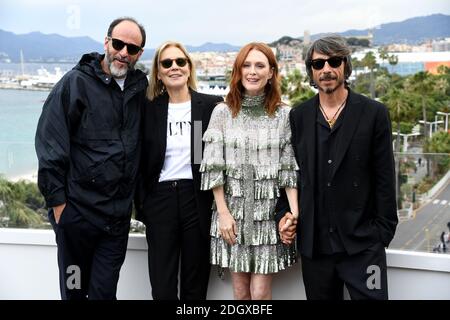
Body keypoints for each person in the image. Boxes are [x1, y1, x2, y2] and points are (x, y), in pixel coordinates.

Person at [277, 35, 398, 300]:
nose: (326, 70)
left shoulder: (373, 113)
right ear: (310, 71)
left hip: (364, 247)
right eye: (318, 64)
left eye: (334, 61)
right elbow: (292, 174)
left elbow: (385, 179)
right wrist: (284, 215)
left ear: (345, 65)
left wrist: (380, 235)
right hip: (316, 249)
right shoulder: (299, 116)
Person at [35, 17, 148, 299]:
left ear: (139, 54)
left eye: (131, 48)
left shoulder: (139, 88)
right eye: (119, 44)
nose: (123, 52)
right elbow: (50, 145)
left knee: (104, 293)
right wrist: (60, 208)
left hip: (116, 223)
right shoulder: (75, 83)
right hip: (77, 217)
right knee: (74, 291)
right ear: (106, 42)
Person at [200, 42, 298, 300]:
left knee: (260, 292)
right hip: (232, 216)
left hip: (268, 217)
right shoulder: (222, 112)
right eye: (246, 65)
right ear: (238, 71)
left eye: (260, 65)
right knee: (241, 293)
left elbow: (289, 170)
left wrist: (293, 216)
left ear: (271, 73)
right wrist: (223, 213)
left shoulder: (284, 115)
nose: (252, 71)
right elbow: (212, 166)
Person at [136, 41, 223, 300]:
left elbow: (215, 155)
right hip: (159, 200)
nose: (174, 67)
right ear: (159, 72)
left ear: (188, 67)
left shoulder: (209, 106)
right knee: (162, 285)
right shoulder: (148, 107)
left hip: (196, 197)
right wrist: (144, 203)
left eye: (180, 62)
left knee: (194, 284)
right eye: (167, 63)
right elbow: (138, 157)